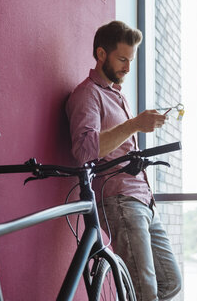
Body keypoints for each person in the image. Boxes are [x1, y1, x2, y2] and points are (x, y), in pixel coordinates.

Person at [66, 20, 182, 301]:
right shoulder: (87, 95)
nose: (128, 68)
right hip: (120, 201)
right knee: (145, 293)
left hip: (143, 200)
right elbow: (84, 150)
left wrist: (136, 123)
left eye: (131, 60)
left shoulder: (116, 95)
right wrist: (135, 125)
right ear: (101, 54)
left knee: (170, 282)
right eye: (122, 59)